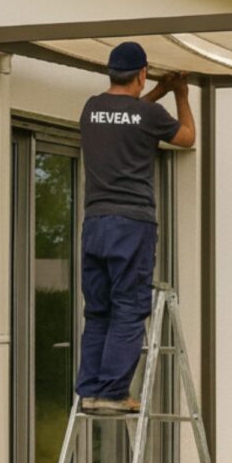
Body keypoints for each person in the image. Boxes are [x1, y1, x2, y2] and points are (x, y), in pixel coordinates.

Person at [75, 41, 195, 414]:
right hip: (131, 224)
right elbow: (187, 137)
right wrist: (181, 95)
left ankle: (91, 389)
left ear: (112, 72)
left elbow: (127, 112)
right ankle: (113, 393)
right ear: (142, 74)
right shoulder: (149, 116)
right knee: (128, 307)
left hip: (94, 223)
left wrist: (155, 93)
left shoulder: (91, 108)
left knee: (98, 310)